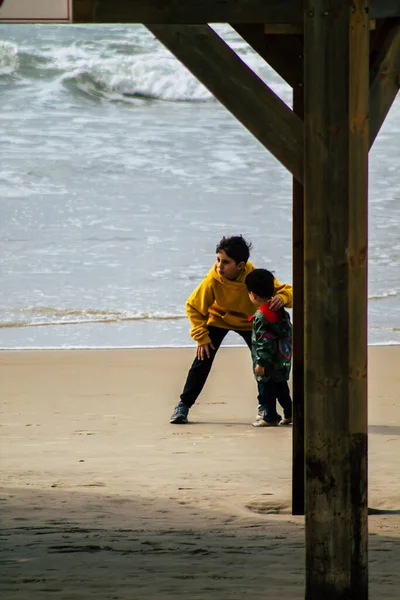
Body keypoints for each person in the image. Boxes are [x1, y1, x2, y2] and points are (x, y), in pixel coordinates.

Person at [170, 235, 293, 424]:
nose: (219, 265)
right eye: (218, 259)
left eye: (225, 262)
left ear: (240, 266)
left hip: (250, 322)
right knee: (202, 359)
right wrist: (201, 337)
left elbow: (287, 291)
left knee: (266, 363)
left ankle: (266, 407)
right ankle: (183, 405)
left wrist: (282, 298)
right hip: (219, 318)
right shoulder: (213, 279)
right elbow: (193, 307)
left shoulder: (253, 276)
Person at [245, 268, 293, 427]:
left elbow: (264, 342)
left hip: (268, 362)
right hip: (282, 357)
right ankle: (290, 413)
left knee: (266, 389)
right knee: (282, 388)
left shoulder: (261, 316)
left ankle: (270, 415)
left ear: (253, 295)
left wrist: (261, 363)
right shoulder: (281, 311)